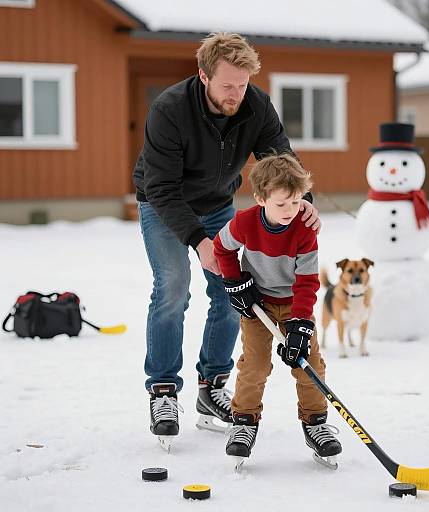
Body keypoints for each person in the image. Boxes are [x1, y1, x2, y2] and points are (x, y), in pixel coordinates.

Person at [132, 32, 321, 442]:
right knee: (173, 288)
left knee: (230, 288)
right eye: (227, 85)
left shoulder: (256, 104)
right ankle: (163, 388)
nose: (236, 94)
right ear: (203, 76)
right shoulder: (170, 109)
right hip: (164, 202)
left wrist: (304, 199)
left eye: (243, 84)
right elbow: (162, 188)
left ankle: (211, 385)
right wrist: (200, 241)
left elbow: (281, 157)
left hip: (217, 202)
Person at [213, 154, 341, 466]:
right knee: (254, 366)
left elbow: (308, 281)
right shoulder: (244, 223)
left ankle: (316, 422)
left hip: (295, 305)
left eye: (296, 203)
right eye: (281, 204)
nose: (290, 211)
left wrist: (300, 324)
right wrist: (234, 283)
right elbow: (222, 248)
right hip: (258, 307)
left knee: (308, 365)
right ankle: (243, 422)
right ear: (260, 198)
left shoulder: (304, 230)